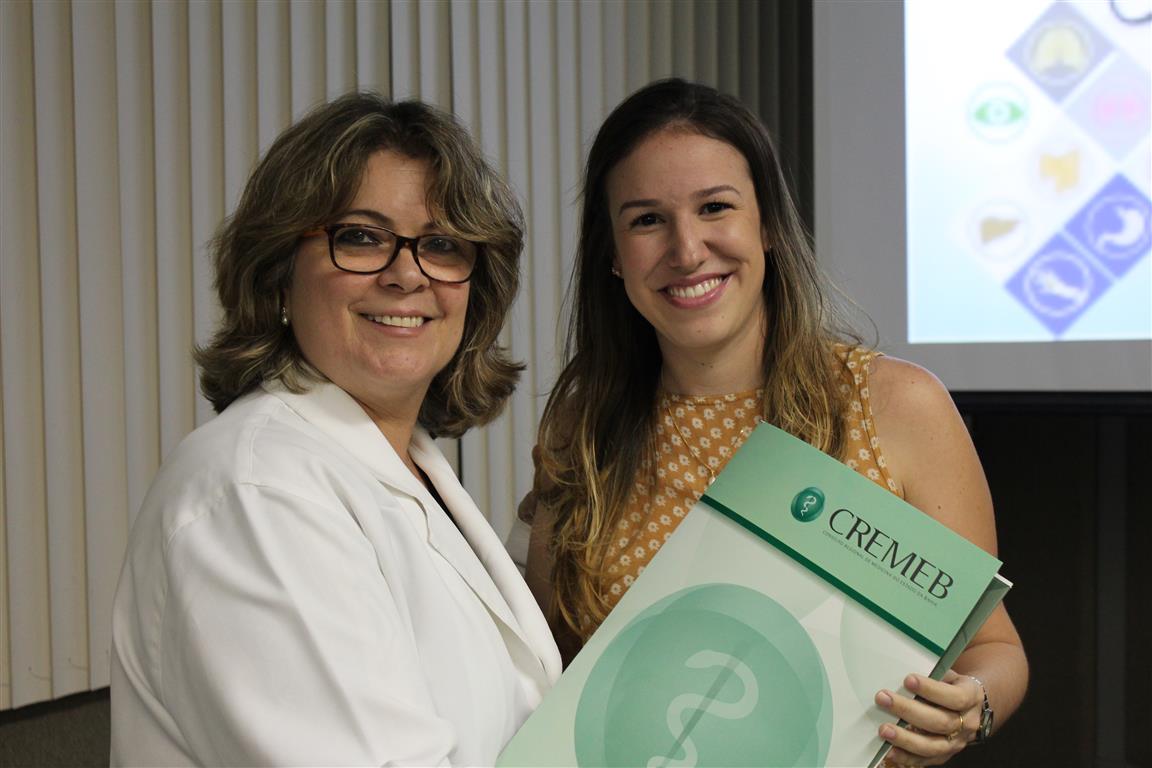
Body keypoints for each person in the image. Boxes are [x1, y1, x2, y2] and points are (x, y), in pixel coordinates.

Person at [520, 78, 1027, 767]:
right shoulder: (582, 426)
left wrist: (972, 706)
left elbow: (994, 647)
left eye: (715, 207)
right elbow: (549, 663)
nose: (687, 249)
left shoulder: (897, 405)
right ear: (612, 253)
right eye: (646, 220)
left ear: (767, 225)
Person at [111, 92, 561, 766]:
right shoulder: (257, 496)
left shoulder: (404, 464)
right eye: (361, 237)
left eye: (441, 244)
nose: (406, 275)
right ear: (279, 274)